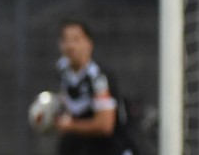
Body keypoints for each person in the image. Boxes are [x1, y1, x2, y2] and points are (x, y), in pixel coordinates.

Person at [54, 19, 137, 155]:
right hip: (83, 146)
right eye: (66, 40)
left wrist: (70, 126)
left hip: (110, 148)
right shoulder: (62, 68)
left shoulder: (98, 77)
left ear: (89, 44)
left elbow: (105, 125)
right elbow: (67, 97)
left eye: (76, 39)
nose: (70, 46)